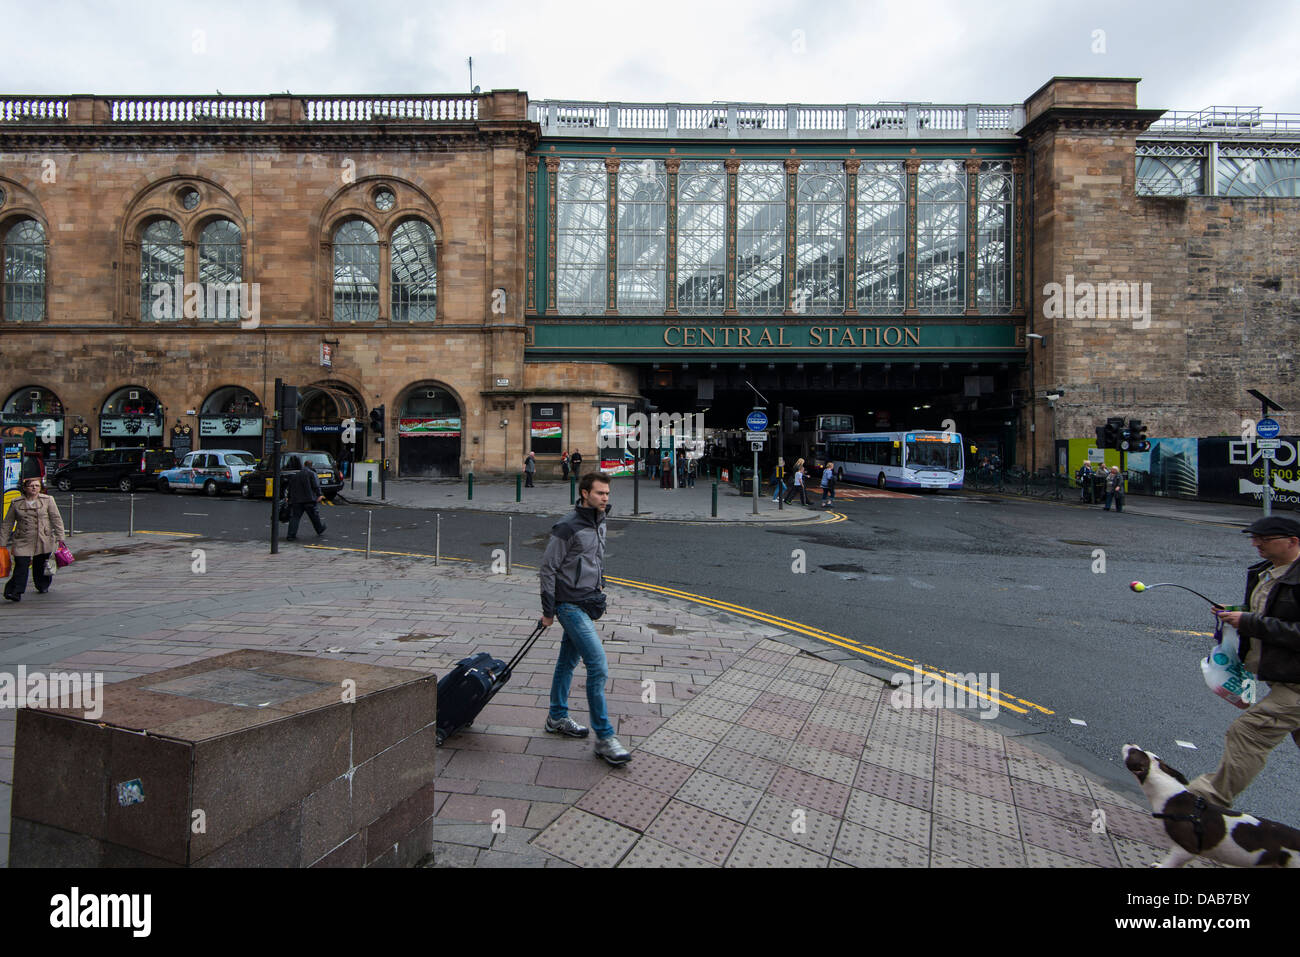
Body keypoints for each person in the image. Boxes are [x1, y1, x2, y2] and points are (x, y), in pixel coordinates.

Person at [1188, 517, 1300, 808]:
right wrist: (1237, 612)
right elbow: (1269, 612)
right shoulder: (1267, 573)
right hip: (1284, 678)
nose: (1256, 543)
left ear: (1293, 541)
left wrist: (1250, 622)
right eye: (1254, 537)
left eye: (1264, 538)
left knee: (1249, 732)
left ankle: (1209, 801)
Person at [538, 471, 631, 766]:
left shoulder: (600, 522)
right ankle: (604, 737)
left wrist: (600, 581)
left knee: (567, 662)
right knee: (598, 666)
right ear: (584, 494)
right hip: (569, 606)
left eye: (607, 494)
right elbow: (548, 569)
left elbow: (596, 558)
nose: (605, 498)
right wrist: (548, 611)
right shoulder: (567, 526)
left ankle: (556, 716)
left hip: (586, 601)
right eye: (600, 493)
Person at [2, 476, 66, 601]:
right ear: (25, 488)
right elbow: (7, 523)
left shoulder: (48, 500)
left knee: (41, 564)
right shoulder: (16, 502)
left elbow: (56, 519)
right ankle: (15, 591)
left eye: (37, 486)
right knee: (21, 565)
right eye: (31, 486)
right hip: (23, 539)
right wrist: (2, 542)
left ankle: (42, 585)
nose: (34, 488)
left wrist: (60, 537)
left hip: (43, 537)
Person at [284, 456, 327, 540]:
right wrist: (319, 494)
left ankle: (291, 535)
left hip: (296, 500)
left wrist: (289, 497)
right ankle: (319, 529)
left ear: (304, 465)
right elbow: (315, 485)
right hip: (309, 499)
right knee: (314, 516)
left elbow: (290, 487)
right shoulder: (312, 474)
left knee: (295, 517)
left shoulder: (295, 475)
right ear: (311, 466)